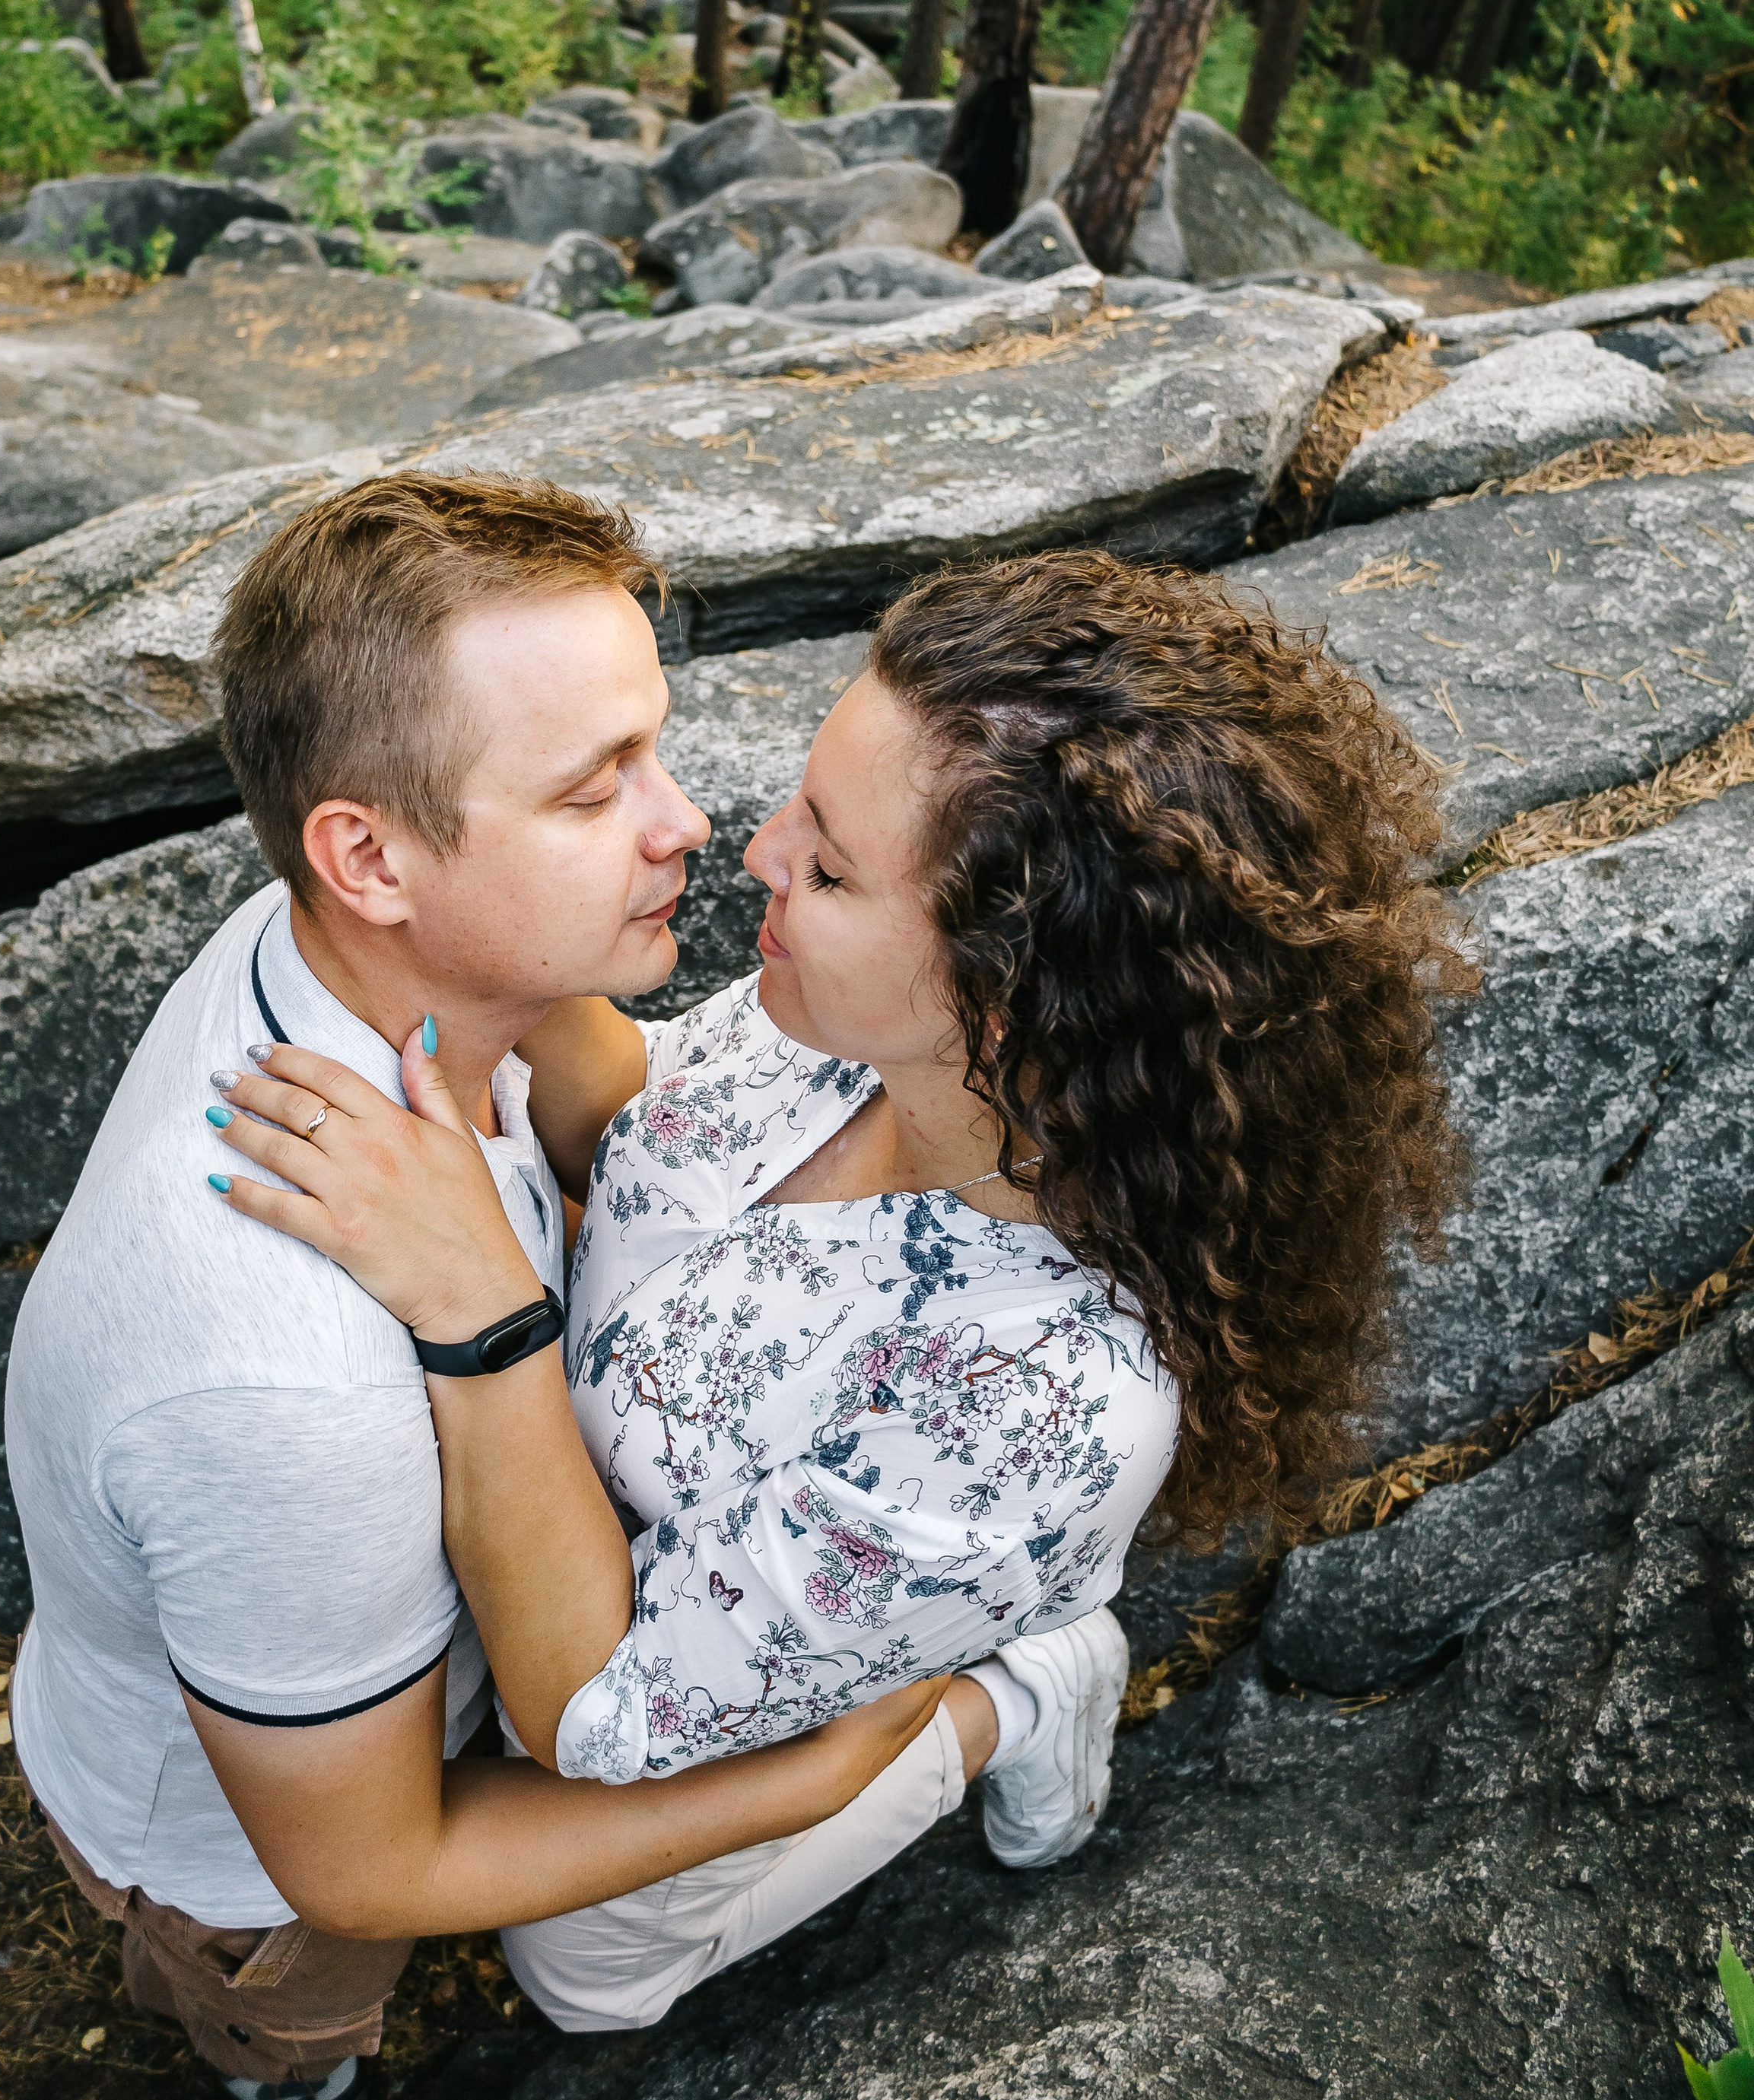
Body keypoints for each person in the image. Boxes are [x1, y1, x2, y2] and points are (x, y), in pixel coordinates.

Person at [208, 530, 1470, 2038]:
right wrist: (494, 957)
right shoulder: (834, 1017)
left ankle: (1008, 1695)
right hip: (588, 1529)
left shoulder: (1032, 1411)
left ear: (1002, 1011)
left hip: (687, 1655)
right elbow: (652, 1120)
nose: (751, 853)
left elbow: (593, 1713)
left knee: (585, 1972)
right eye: (803, 805)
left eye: (826, 860)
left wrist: (485, 1320)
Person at [4, 473, 952, 2100]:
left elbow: (615, 1111)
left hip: (327, 1659)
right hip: (246, 1877)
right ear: (367, 855)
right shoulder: (293, 1396)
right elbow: (360, 1875)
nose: (686, 822)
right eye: (594, 793)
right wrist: (816, 1770)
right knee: (301, 2035)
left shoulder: (358, 950)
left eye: (651, 745)